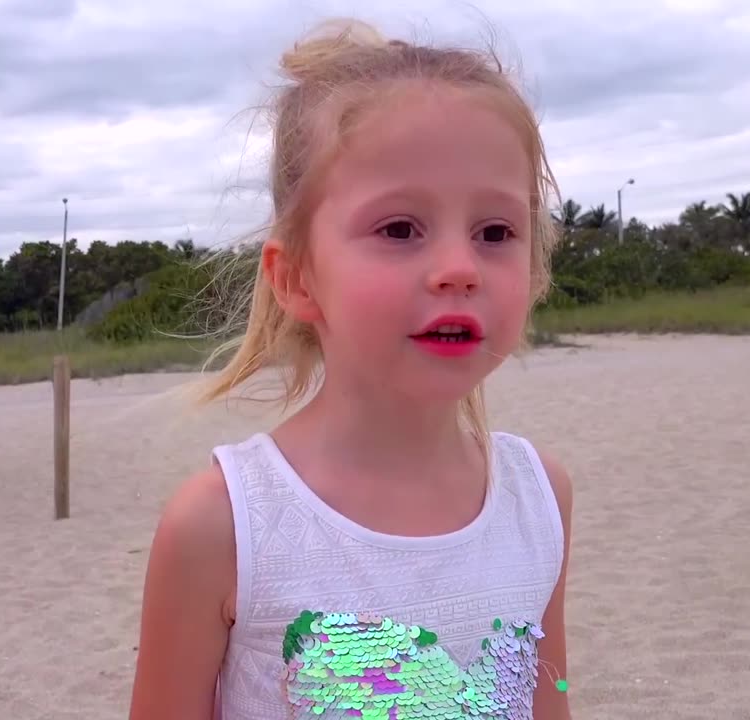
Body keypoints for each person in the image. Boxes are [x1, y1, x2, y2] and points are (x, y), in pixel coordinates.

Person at [130, 18, 573, 720]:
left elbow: (547, 696)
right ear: (298, 277)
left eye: (496, 232)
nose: (459, 268)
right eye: (399, 229)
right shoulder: (223, 524)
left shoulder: (540, 497)